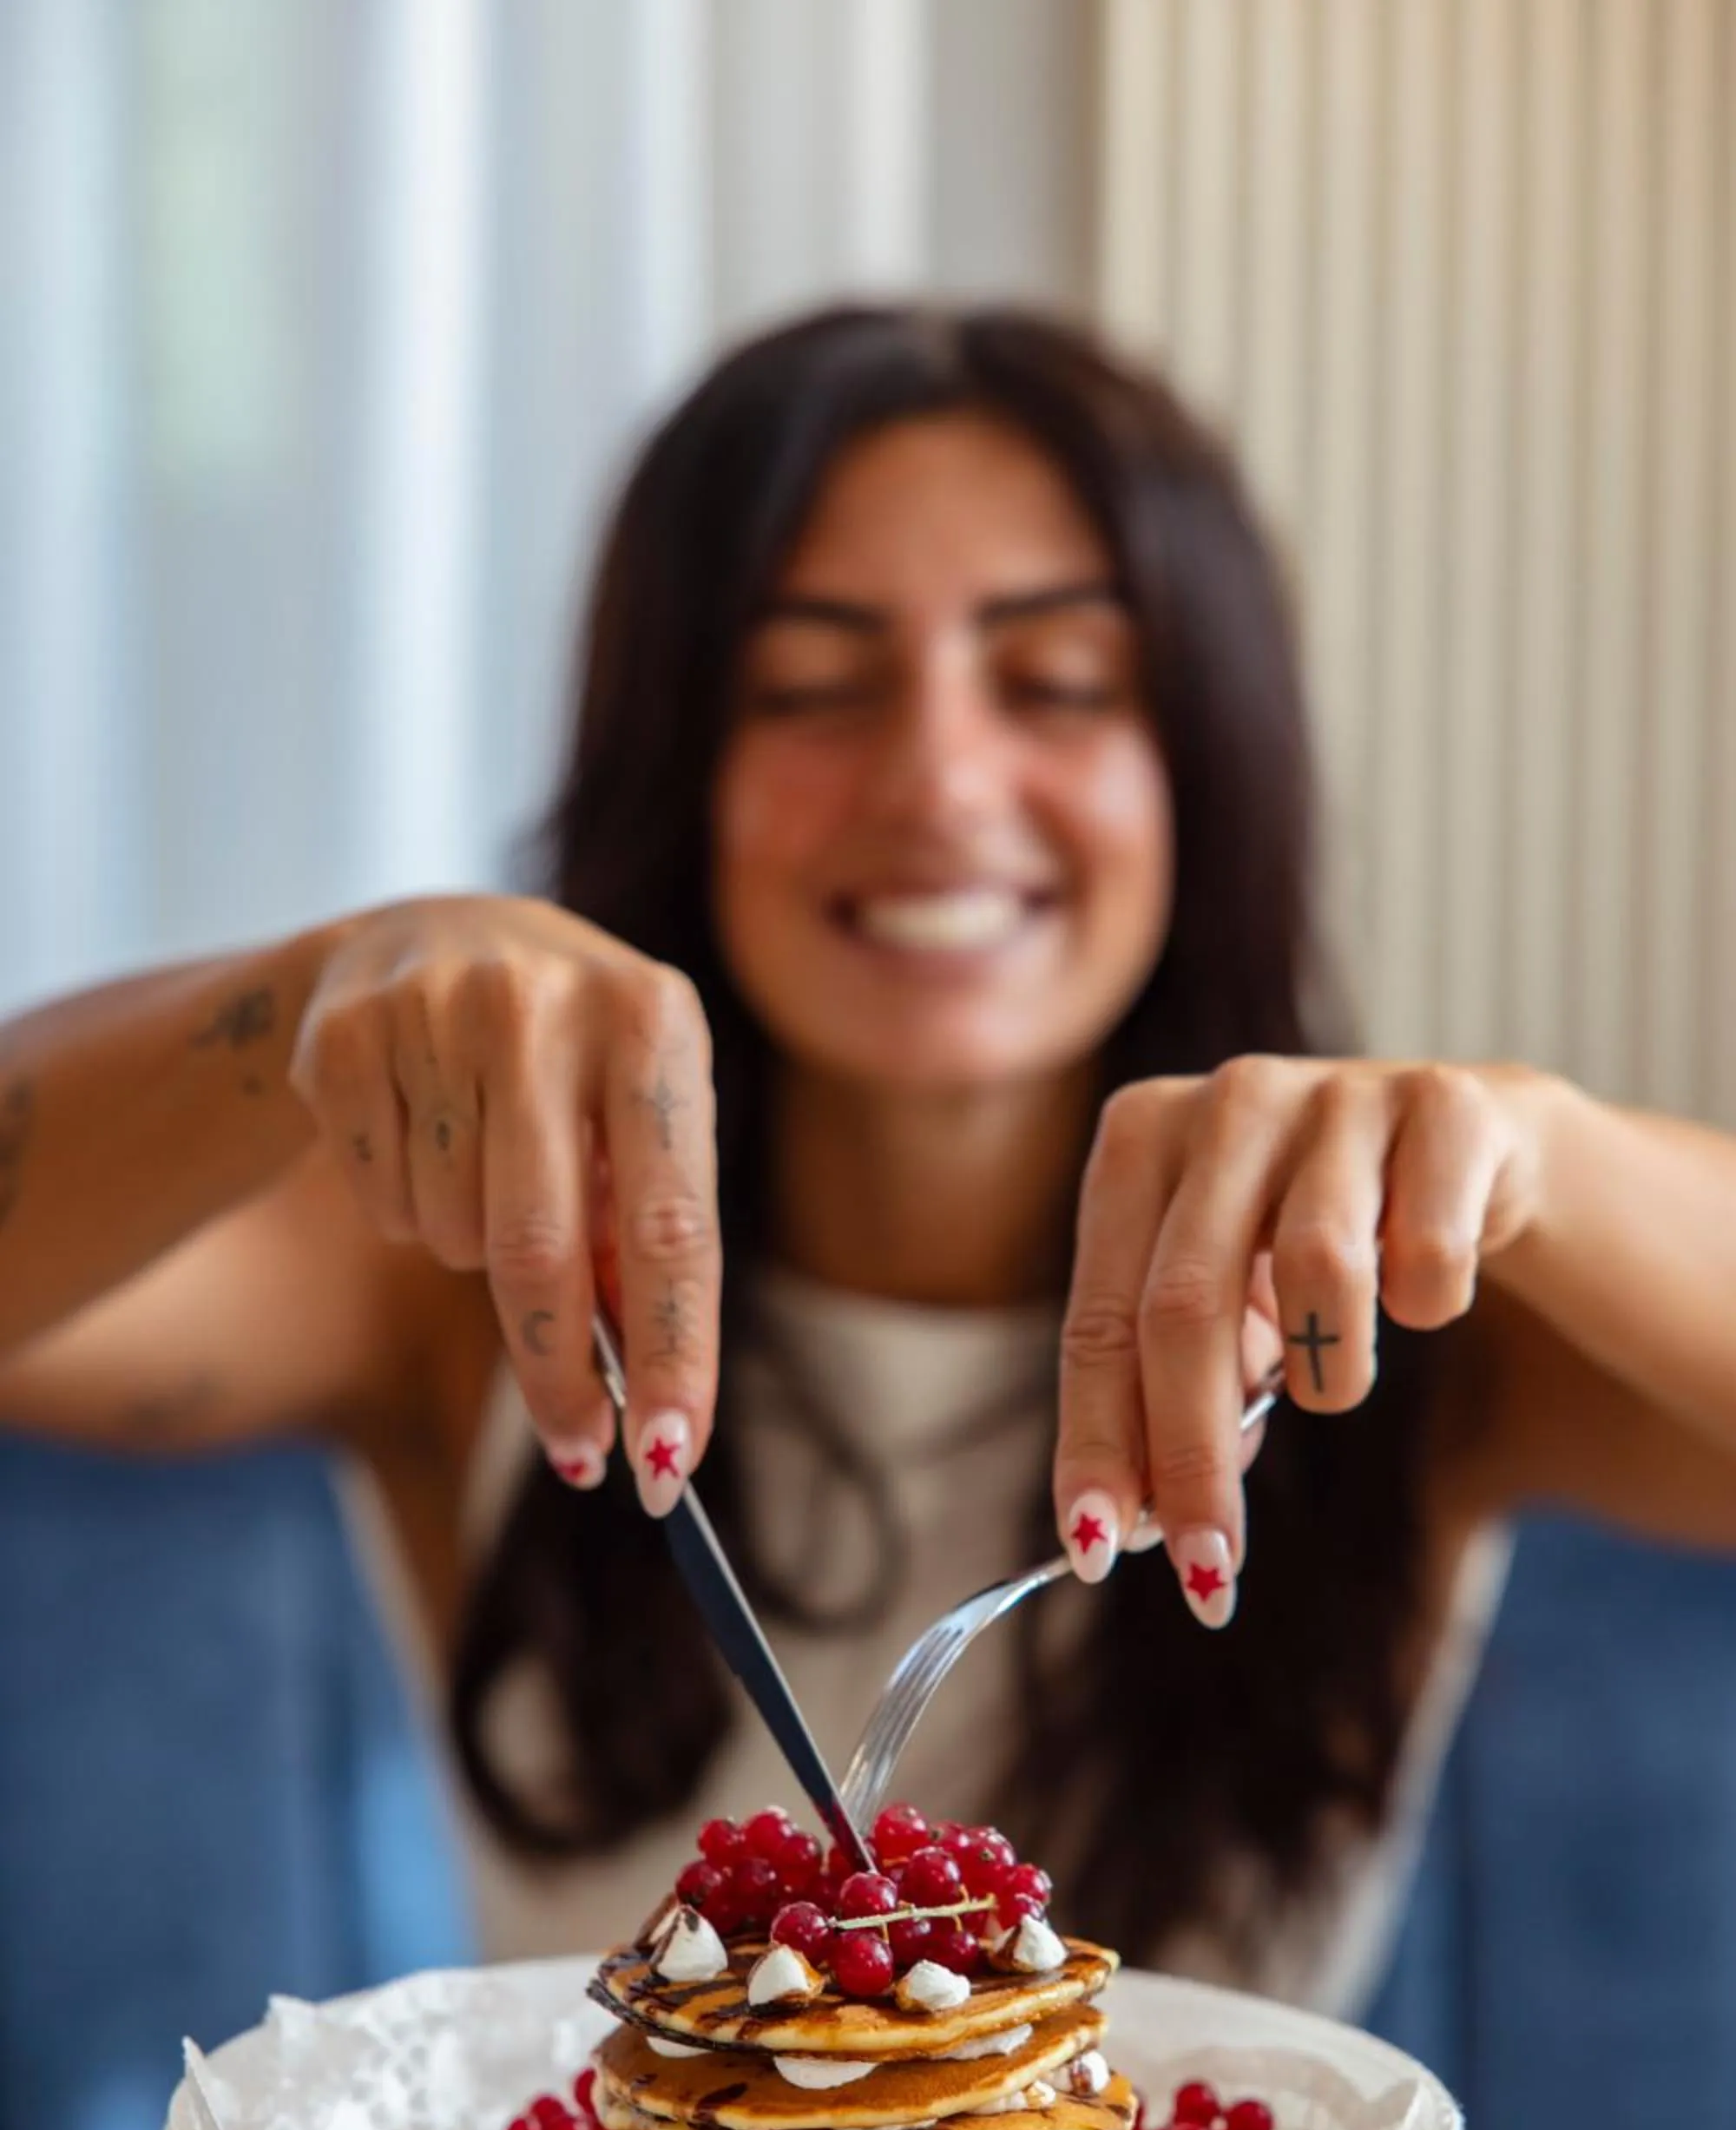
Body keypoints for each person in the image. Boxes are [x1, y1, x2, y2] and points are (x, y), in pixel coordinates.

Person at [3, 305, 1733, 2007]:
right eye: (809, 685)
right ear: (678, 766)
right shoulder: (470, 1269)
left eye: (1056, 679)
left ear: (1206, 763)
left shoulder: (1403, 1311)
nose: (936, 776)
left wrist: (1547, 1156)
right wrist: (303, 997)